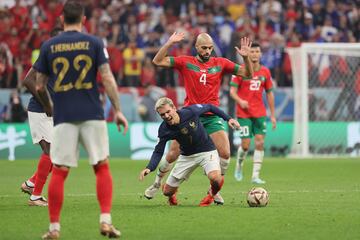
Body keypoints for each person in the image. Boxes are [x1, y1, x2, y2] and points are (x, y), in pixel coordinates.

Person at [34, 2, 128, 239]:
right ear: (84, 19)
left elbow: (38, 85)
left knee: (60, 171)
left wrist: (49, 105)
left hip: (63, 115)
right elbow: (107, 78)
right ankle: (105, 221)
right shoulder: (95, 43)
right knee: (101, 166)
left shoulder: (49, 45)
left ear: (62, 18)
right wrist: (117, 109)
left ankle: (54, 229)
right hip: (92, 113)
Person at [144, 32, 253, 205]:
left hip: (211, 115)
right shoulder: (186, 62)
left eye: (210, 47)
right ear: (196, 47)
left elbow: (248, 74)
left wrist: (246, 58)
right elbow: (157, 61)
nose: (208, 51)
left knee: (225, 153)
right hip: (189, 116)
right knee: (172, 154)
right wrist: (169, 43)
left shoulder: (221, 63)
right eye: (204, 48)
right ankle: (156, 184)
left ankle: (214, 191)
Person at [139, 97, 240, 206]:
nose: (166, 116)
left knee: (215, 178)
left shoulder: (190, 112)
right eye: (162, 115)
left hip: (207, 151)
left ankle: (213, 193)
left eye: (168, 112)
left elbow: (210, 107)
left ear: (174, 108)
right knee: (167, 192)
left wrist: (228, 118)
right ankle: (171, 193)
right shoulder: (164, 129)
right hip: (186, 157)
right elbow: (158, 151)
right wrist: (149, 167)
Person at [20, 27, 63, 207]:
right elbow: (28, 81)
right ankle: (35, 196)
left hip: (52, 111)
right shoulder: (46, 56)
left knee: (57, 154)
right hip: (40, 110)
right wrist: (46, 104)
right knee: (50, 152)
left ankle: (31, 184)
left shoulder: (60, 60)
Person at [230, 42, 276, 184]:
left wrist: (273, 115)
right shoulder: (240, 70)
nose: (255, 54)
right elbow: (232, 91)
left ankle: (255, 176)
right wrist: (240, 101)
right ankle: (239, 166)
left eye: (257, 51)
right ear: (247, 53)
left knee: (260, 142)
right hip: (243, 113)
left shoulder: (265, 72)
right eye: (252, 51)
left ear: (261, 54)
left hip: (260, 113)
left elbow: (269, 94)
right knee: (245, 145)